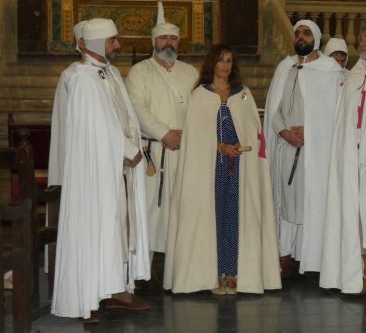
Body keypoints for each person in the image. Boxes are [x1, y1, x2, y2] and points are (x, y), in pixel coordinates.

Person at [51, 18, 151, 323]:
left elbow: (122, 116)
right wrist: (127, 150)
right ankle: (87, 297)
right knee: (94, 227)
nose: (118, 45)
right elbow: (95, 127)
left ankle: (116, 290)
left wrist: (135, 146)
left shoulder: (108, 72)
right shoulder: (81, 78)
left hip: (117, 168)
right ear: (94, 44)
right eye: (112, 41)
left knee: (118, 226)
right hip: (95, 171)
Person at [164, 44, 281, 295]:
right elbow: (195, 138)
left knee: (234, 219)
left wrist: (240, 145)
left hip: (239, 169)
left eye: (229, 60)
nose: (225, 65)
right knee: (213, 220)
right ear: (212, 64)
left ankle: (233, 274)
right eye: (221, 60)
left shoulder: (244, 94)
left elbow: (253, 130)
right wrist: (218, 147)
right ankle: (214, 274)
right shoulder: (200, 96)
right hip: (210, 170)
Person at [264, 20, 343, 276]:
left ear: (316, 38)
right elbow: (273, 108)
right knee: (286, 200)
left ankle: (314, 259)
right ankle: (284, 256)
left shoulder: (330, 70)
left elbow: (337, 112)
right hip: (287, 146)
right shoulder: (284, 67)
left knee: (313, 200)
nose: (300, 37)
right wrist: (284, 132)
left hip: (317, 151)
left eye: (306, 33)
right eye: (297, 33)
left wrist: (312, 131)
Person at [125, 18, 198, 257]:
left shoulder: (191, 72)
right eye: (164, 38)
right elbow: (136, 108)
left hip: (185, 149)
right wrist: (165, 133)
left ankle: (178, 261)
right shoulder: (139, 72)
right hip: (154, 152)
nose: (169, 43)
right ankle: (144, 264)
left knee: (181, 206)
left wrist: (188, 134)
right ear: (154, 41)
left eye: (174, 38)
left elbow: (200, 107)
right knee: (149, 208)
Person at [320, 23, 366, 293]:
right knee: (354, 213)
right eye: (362, 38)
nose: (363, 43)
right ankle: (359, 271)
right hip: (353, 157)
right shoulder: (353, 79)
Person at [48, 19, 87, 187]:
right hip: (81, 153)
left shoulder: (110, 73)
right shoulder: (70, 76)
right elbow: (66, 124)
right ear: (82, 43)